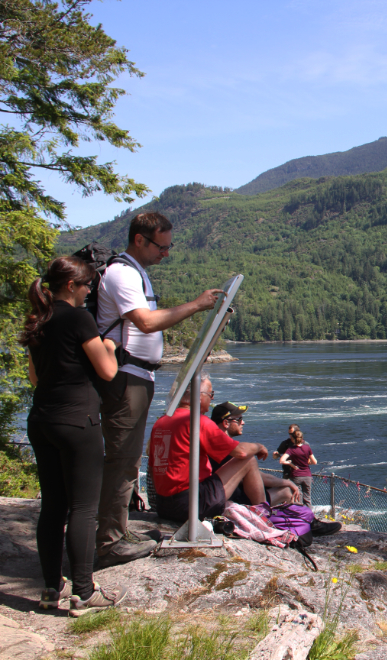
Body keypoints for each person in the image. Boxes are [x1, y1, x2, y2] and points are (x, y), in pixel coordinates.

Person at [96, 212, 224, 568]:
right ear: (140, 240)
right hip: (126, 377)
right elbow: (146, 322)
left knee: (129, 458)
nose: (166, 253)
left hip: (138, 376)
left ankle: (117, 531)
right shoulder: (122, 273)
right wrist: (197, 305)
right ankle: (109, 541)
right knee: (122, 458)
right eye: (161, 246)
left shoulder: (136, 272)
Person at [19, 257, 128, 617]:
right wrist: (109, 347)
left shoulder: (38, 320)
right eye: (87, 286)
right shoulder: (79, 319)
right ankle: (84, 591)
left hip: (42, 420)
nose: (90, 292)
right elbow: (108, 371)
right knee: (83, 507)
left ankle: (51, 588)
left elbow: (35, 378)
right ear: (71, 286)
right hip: (78, 420)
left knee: (52, 506)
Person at [148, 374, 294, 523]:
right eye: (211, 394)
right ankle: (262, 517)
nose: (212, 399)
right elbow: (241, 452)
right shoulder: (197, 420)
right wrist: (259, 446)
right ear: (199, 396)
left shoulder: (161, 422)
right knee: (248, 459)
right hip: (191, 504)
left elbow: (154, 467)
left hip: (164, 506)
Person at [209, 401, 301, 505]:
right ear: (226, 423)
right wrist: (288, 482)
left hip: (225, 495)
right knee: (286, 492)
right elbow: (262, 478)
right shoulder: (227, 448)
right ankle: (266, 515)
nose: (243, 422)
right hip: (235, 500)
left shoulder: (211, 443)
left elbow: (256, 475)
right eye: (239, 419)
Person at [279, 430, 317, 507]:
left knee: (297, 497)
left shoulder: (291, 449)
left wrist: (290, 463)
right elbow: (315, 462)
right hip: (307, 475)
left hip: (296, 475)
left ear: (293, 438)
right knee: (307, 498)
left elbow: (282, 460)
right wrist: (307, 462)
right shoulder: (307, 448)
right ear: (302, 438)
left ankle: (299, 515)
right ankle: (309, 516)